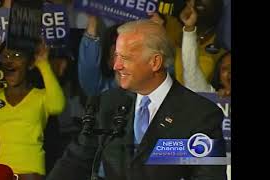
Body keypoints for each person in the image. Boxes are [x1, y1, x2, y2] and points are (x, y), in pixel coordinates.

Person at [46, 19, 226, 180]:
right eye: (116, 56)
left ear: (155, 62)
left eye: (125, 58)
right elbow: (74, 163)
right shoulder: (107, 104)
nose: (116, 66)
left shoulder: (201, 115)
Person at [0, 37, 65, 180]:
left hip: (31, 175)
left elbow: (58, 106)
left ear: (30, 63)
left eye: (17, 56)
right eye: (6, 56)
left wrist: (43, 63)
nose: (10, 61)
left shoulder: (41, 96)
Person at [180, 0, 231, 97]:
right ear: (219, 78)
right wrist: (189, 28)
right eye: (225, 68)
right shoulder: (211, 100)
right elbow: (191, 71)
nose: (230, 71)